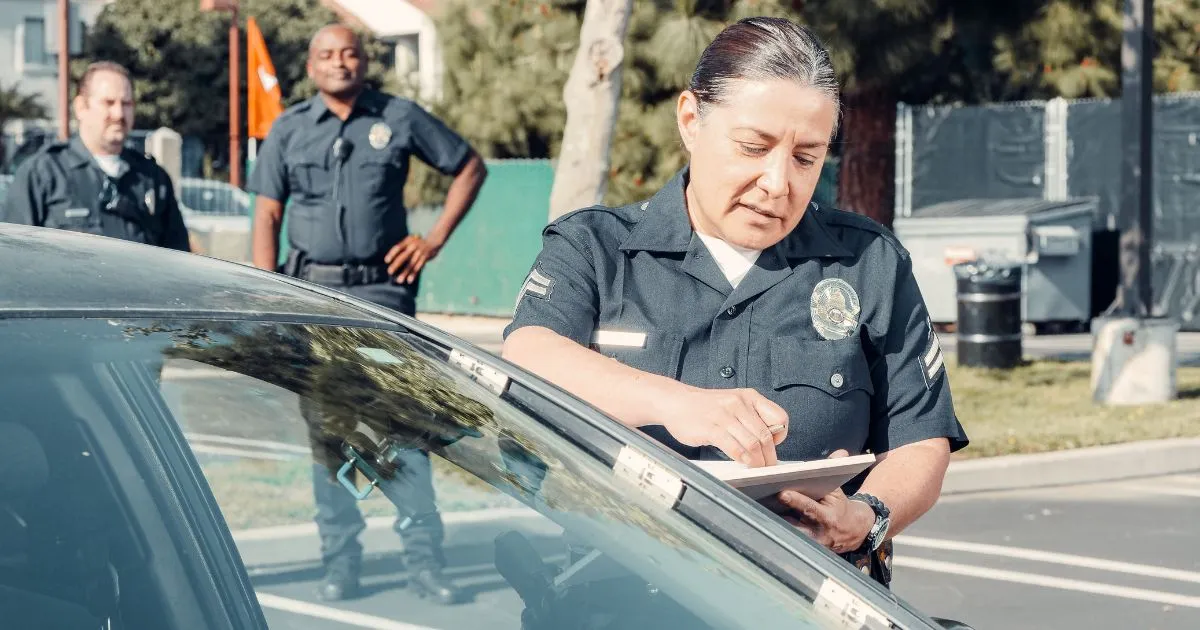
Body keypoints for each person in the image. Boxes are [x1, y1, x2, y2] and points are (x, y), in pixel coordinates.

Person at [501, 17, 968, 587]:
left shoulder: (869, 263)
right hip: (619, 594)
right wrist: (676, 403)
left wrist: (865, 520)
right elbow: (529, 353)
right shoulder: (596, 247)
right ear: (691, 120)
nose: (777, 182)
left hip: (809, 597)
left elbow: (921, 439)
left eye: (806, 157)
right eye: (753, 147)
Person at [247, 24, 488, 604]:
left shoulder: (399, 117)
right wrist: (266, 297)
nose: (339, 62)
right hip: (311, 298)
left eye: (349, 52)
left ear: (363, 61)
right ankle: (341, 562)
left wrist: (431, 240)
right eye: (327, 54)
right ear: (311, 66)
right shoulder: (289, 128)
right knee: (330, 436)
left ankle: (424, 562)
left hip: (383, 295)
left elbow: (470, 166)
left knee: (402, 426)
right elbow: (267, 216)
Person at [0, 61, 190, 252]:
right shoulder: (42, 175)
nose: (118, 114)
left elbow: (177, 260)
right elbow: (16, 259)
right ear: (81, 107)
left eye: (126, 104)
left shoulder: (153, 179)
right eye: (108, 103)